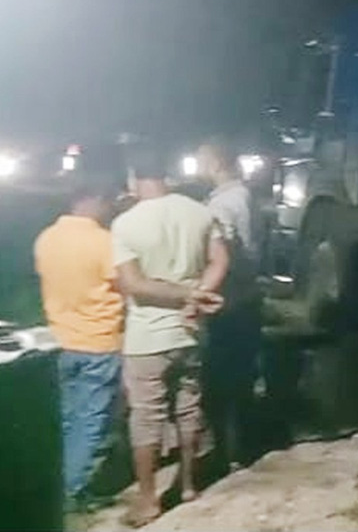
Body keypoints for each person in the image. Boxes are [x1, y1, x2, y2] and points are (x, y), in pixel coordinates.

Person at [111, 145, 228, 526]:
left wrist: (184, 295)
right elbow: (220, 261)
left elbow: (134, 284)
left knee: (147, 417)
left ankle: (148, 501)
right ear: (167, 176)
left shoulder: (125, 224)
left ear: (133, 179)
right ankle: (189, 485)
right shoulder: (200, 212)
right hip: (190, 331)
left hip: (147, 337)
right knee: (189, 408)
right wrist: (196, 296)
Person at [33, 176, 124, 512]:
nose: (110, 208)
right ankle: (72, 490)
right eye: (109, 202)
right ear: (95, 199)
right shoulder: (105, 242)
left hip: (58, 339)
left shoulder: (46, 238)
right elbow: (125, 284)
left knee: (67, 420)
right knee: (90, 421)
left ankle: (55, 483)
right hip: (98, 341)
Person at [195, 138, 263, 471]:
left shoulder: (222, 205)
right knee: (243, 376)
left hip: (228, 300)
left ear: (215, 163)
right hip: (248, 298)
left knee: (221, 379)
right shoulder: (248, 196)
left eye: (201, 161)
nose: (198, 168)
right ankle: (243, 448)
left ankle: (226, 451)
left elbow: (224, 252)